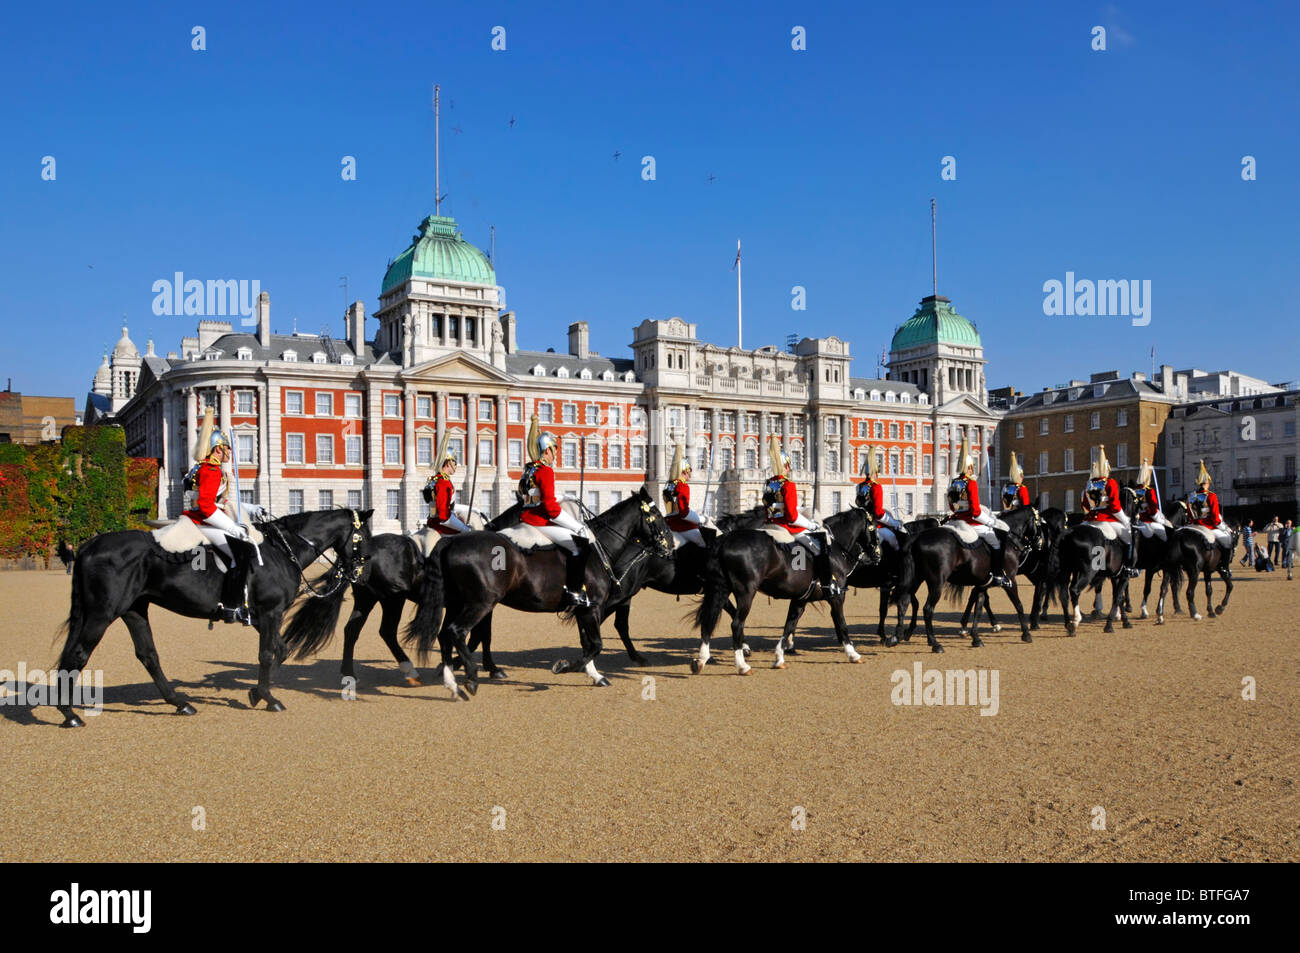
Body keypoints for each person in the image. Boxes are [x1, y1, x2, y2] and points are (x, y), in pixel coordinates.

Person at [183, 407, 255, 624]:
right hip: (201, 521)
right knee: (242, 553)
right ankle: (231, 605)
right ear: (216, 450)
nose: (229, 453)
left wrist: (252, 509)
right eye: (226, 449)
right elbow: (206, 506)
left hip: (205, 518)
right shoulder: (211, 471)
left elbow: (219, 503)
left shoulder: (208, 469)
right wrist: (232, 528)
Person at [518, 414, 593, 608]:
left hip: (527, 515)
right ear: (546, 451)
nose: (555, 455)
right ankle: (573, 592)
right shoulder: (545, 471)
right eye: (553, 450)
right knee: (579, 545)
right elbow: (551, 509)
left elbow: (537, 496)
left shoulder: (529, 469)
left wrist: (566, 497)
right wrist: (577, 526)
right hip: (540, 520)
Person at [763, 435, 841, 596]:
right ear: (785, 465)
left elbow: (777, 506)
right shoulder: (788, 484)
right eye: (788, 466)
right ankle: (827, 584)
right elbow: (791, 517)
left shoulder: (769, 483)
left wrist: (799, 508)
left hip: (771, 524)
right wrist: (810, 525)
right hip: (788, 527)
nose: (789, 469)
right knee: (820, 547)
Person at [947, 432, 1011, 586]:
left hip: (956, 522)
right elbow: (975, 511)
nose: (973, 469)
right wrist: (990, 522)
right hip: (972, 523)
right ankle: (997, 574)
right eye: (972, 466)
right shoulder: (971, 483)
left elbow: (952, 506)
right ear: (969, 467)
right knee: (996, 541)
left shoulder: (954, 482)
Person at [1080, 444, 1139, 578]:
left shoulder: (1089, 484)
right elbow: (1115, 506)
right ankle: (1128, 567)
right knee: (1129, 537)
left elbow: (1084, 503)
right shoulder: (1110, 483)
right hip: (1106, 519)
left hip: (1089, 520)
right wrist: (1125, 520)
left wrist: (1089, 515)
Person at [854, 445, 904, 551]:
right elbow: (879, 513)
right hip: (875, 526)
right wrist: (895, 523)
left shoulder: (859, 486)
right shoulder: (876, 487)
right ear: (875, 473)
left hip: (862, 524)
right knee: (893, 539)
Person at [423, 438, 473, 536]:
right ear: (448, 463)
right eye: (454, 463)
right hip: (442, 524)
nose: (456, 466)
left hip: (433, 519)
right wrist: (464, 528)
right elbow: (443, 513)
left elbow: (448, 505)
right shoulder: (444, 482)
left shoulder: (434, 478)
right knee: (469, 533)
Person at [662, 444, 709, 547]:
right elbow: (684, 513)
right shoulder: (682, 486)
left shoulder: (668, 485)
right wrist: (700, 519)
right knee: (706, 544)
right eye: (689, 472)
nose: (690, 475)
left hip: (669, 524)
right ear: (684, 472)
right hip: (683, 526)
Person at [1187, 459, 1233, 553]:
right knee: (1227, 539)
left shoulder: (1191, 495)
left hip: (1193, 525)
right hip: (1207, 525)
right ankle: (1224, 566)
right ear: (1207, 482)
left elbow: (1189, 513)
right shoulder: (1211, 496)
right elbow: (1215, 517)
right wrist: (1223, 527)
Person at [1133, 458, 1174, 545]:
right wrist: (1158, 519)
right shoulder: (1149, 490)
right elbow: (1153, 509)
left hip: (1136, 519)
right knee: (1163, 533)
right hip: (1148, 520)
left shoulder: (1134, 491)